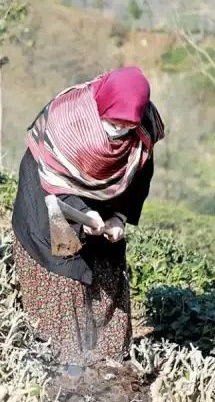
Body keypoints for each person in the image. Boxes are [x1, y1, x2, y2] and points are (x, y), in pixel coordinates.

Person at [10, 66, 165, 367]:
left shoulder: (142, 128)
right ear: (102, 107)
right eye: (115, 121)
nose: (120, 128)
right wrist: (84, 214)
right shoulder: (68, 122)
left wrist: (118, 217)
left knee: (107, 264)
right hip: (49, 192)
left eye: (127, 124)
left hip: (107, 193)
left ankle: (107, 361)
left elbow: (140, 176)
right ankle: (64, 360)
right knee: (65, 268)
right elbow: (54, 183)